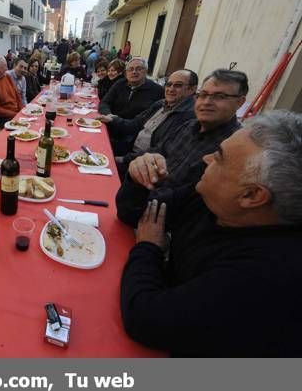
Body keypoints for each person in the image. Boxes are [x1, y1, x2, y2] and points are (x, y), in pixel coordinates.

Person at [121, 110, 302, 356]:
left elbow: (145, 318)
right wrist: (136, 180)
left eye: (219, 157)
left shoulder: (267, 274)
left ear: (252, 195)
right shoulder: (212, 198)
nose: (206, 158)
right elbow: (135, 213)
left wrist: (148, 249)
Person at [116, 69, 248, 227]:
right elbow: (157, 150)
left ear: (240, 102)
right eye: (203, 95)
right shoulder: (188, 126)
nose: (206, 102)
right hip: (138, 197)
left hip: (162, 221)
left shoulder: (233, 147)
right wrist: (130, 165)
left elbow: (187, 200)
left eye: (219, 96)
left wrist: (132, 190)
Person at [99, 69, 197, 161]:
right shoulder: (160, 104)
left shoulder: (189, 117)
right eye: (169, 84)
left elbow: (160, 151)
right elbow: (135, 124)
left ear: (192, 89)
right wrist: (112, 119)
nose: (171, 89)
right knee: (95, 145)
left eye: (178, 85)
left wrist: (123, 159)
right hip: (130, 147)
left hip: (144, 163)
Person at [98, 57, 164, 119]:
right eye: (130, 69)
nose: (134, 72)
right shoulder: (120, 84)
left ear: (146, 71)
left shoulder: (157, 90)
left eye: (139, 69)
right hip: (112, 123)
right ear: (126, 72)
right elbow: (104, 103)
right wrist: (109, 115)